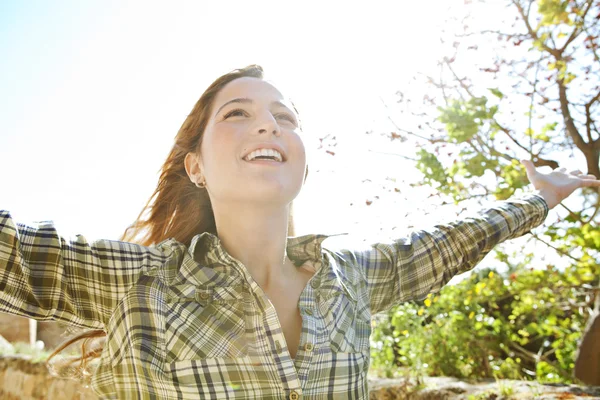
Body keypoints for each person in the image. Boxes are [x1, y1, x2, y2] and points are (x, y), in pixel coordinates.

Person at [0, 65, 598, 399]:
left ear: (302, 158)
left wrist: (539, 197)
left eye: (283, 117)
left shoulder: (351, 278)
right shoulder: (138, 281)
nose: (268, 124)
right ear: (197, 166)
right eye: (238, 113)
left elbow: (450, 242)